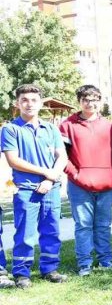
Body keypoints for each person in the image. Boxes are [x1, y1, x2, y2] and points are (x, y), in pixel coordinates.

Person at [1, 84, 68, 287]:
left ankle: (50, 269)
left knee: (51, 231)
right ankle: (22, 273)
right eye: (24, 100)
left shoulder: (51, 128)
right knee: (25, 233)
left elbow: (62, 156)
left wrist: (50, 179)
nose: (29, 104)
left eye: (33, 100)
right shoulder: (11, 129)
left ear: (40, 103)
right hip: (26, 189)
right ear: (17, 103)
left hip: (51, 188)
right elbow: (14, 160)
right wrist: (45, 173)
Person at [59, 84, 112, 276]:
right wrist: (76, 174)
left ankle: (105, 260)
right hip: (79, 185)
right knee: (83, 225)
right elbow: (61, 155)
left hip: (106, 183)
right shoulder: (67, 125)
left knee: (103, 224)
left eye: (94, 99)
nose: (90, 103)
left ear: (100, 101)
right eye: (86, 99)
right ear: (79, 101)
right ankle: (84, 263)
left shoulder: (110, 126)